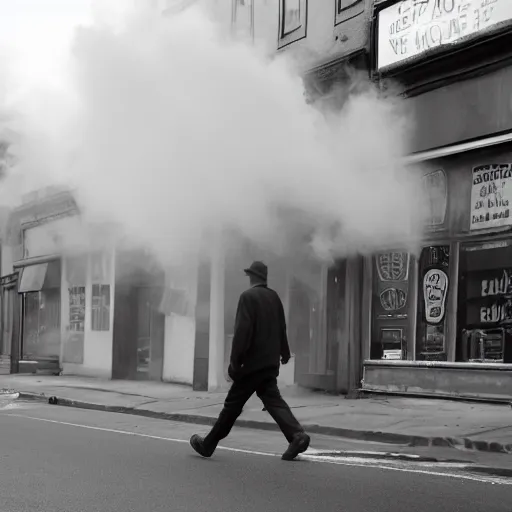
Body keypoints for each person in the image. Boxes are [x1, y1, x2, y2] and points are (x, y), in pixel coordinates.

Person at [190, 261, 310, 461]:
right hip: (269, 364)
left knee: (232, 405)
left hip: (251, 365)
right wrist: (284, 352)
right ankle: (297, 436)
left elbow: (242, 332)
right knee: (273, 401)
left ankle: (208, 444)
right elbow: (282, 327)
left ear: (252, 277)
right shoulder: (274, 297)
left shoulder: (248, 297)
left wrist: (234, 362)